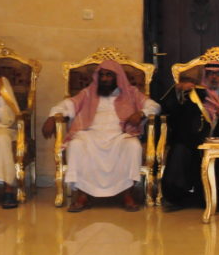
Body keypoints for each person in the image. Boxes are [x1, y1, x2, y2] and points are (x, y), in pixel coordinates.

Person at [43, 59, 160, 212]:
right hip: (89, 134)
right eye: (102, 75)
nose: (104, 78)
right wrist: (52, 116)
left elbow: (154, 106)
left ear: (117, 77)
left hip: (120, 135)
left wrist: (141, 113)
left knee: (133, 146)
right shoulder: (88, 93)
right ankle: (82, 195)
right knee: (76, 145)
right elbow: (66, 105)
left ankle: (127, 194)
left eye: (109, 75)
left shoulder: (131, 93)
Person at [158, 63, 219, 211]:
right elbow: (168, 109)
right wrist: (178, 90)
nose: (214, 77)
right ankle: (176, 195)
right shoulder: (192, 93)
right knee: (179, 150)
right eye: (210, 74)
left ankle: (214, 196)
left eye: (218, 74)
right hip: (191, 141)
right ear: (204, 76)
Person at [0, 66, 20, 208]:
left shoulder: (1, 84)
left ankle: (8, 189)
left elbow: (7, 112)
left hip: (1, 127)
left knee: (1, 139)